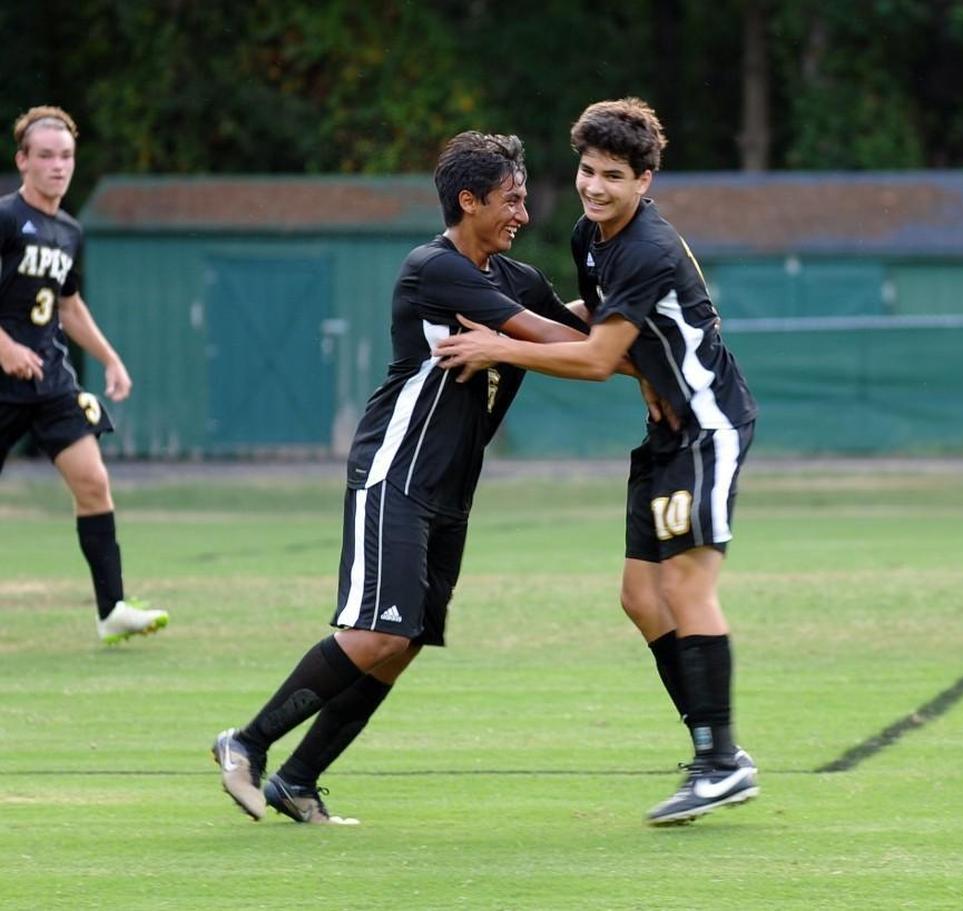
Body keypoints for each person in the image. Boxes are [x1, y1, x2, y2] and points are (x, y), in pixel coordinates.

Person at [212, 131, 622, 824]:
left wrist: (638, 305)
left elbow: (575, 326)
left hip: (452, 491)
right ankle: (246, 744)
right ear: (469, 201)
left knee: (399, 649)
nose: (522, 213)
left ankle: (298, 778)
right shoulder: (435, 268)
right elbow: (555, 339)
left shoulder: (514, 278)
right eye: (511, 199)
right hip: (394, 473)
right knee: (375, 635)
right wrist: (609, 340)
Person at [435, 97, 760, 826]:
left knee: (685, 583)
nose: (596, 186)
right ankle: (718, 753)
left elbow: (595, 357)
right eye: (587, 170)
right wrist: (522, 324)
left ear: (645, 181)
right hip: (665, 433)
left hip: (707, 427)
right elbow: (595, 322)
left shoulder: (647, 247)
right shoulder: (591, 236)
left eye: (614, 175)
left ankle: (718, 762)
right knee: (641, 600)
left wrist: (496, 343)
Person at [0, 106, 168, 644]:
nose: (58, 165)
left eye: (66, 155)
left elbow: (68, 307)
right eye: (45, 155)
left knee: (93, 482)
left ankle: (111, 609)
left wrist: (111, 357)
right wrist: (2, 345)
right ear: (22, 160)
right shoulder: (5, 219)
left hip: (49, 380)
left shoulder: (69, 231)